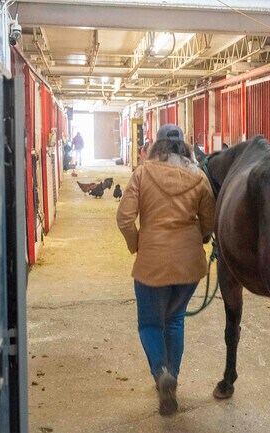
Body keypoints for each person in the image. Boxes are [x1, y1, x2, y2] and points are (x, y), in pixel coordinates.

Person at [116, 124, 216, 416]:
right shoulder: (199, 176)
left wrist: (137, 244)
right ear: (183, 146)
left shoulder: (143, 173)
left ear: (156, 145)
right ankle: (173, 376)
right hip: (189, 266)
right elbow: (209, 221)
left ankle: (161, 373)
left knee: (149, 324)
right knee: (174, 320)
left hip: (152, 264)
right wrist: (198, 239)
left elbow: (124, 218)